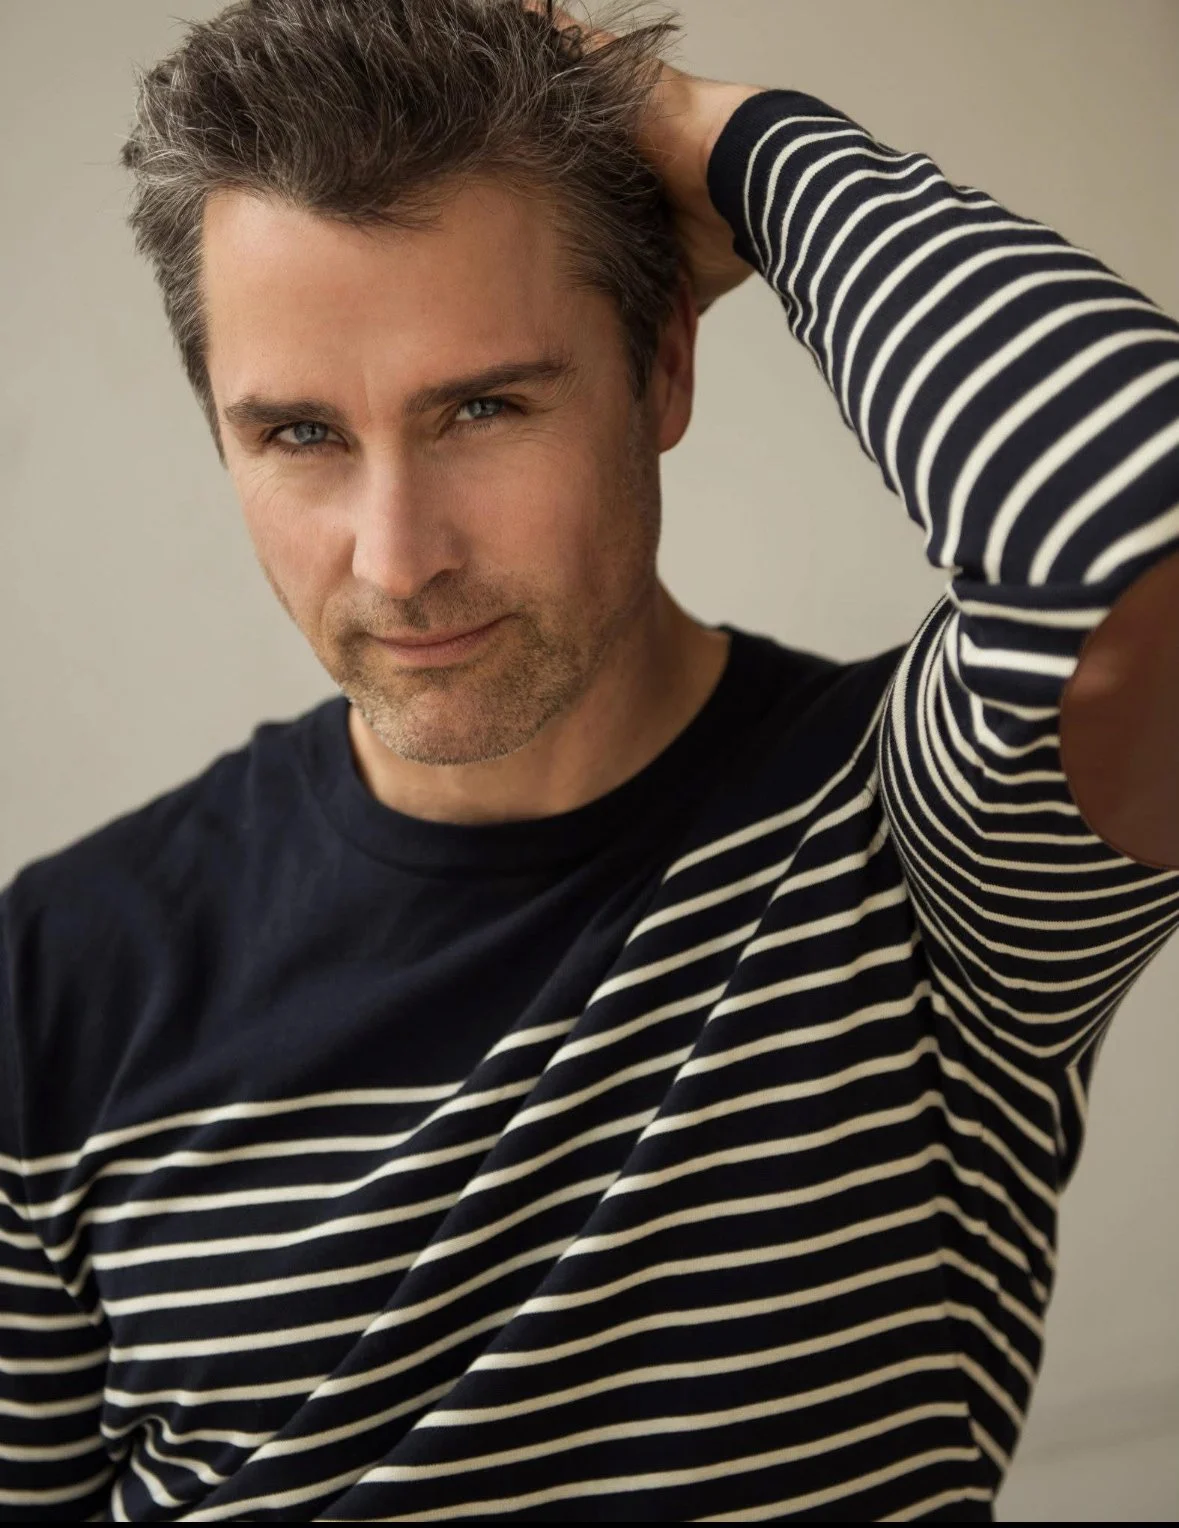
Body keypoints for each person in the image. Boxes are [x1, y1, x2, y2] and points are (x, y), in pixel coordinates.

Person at [1, 0, 1176, 1518]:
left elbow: (1140, 535)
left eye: (482, 407)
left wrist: (727, 144)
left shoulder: (922, 854)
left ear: (662, 373)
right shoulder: (59, 971)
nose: (396, 556)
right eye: (298, 434)